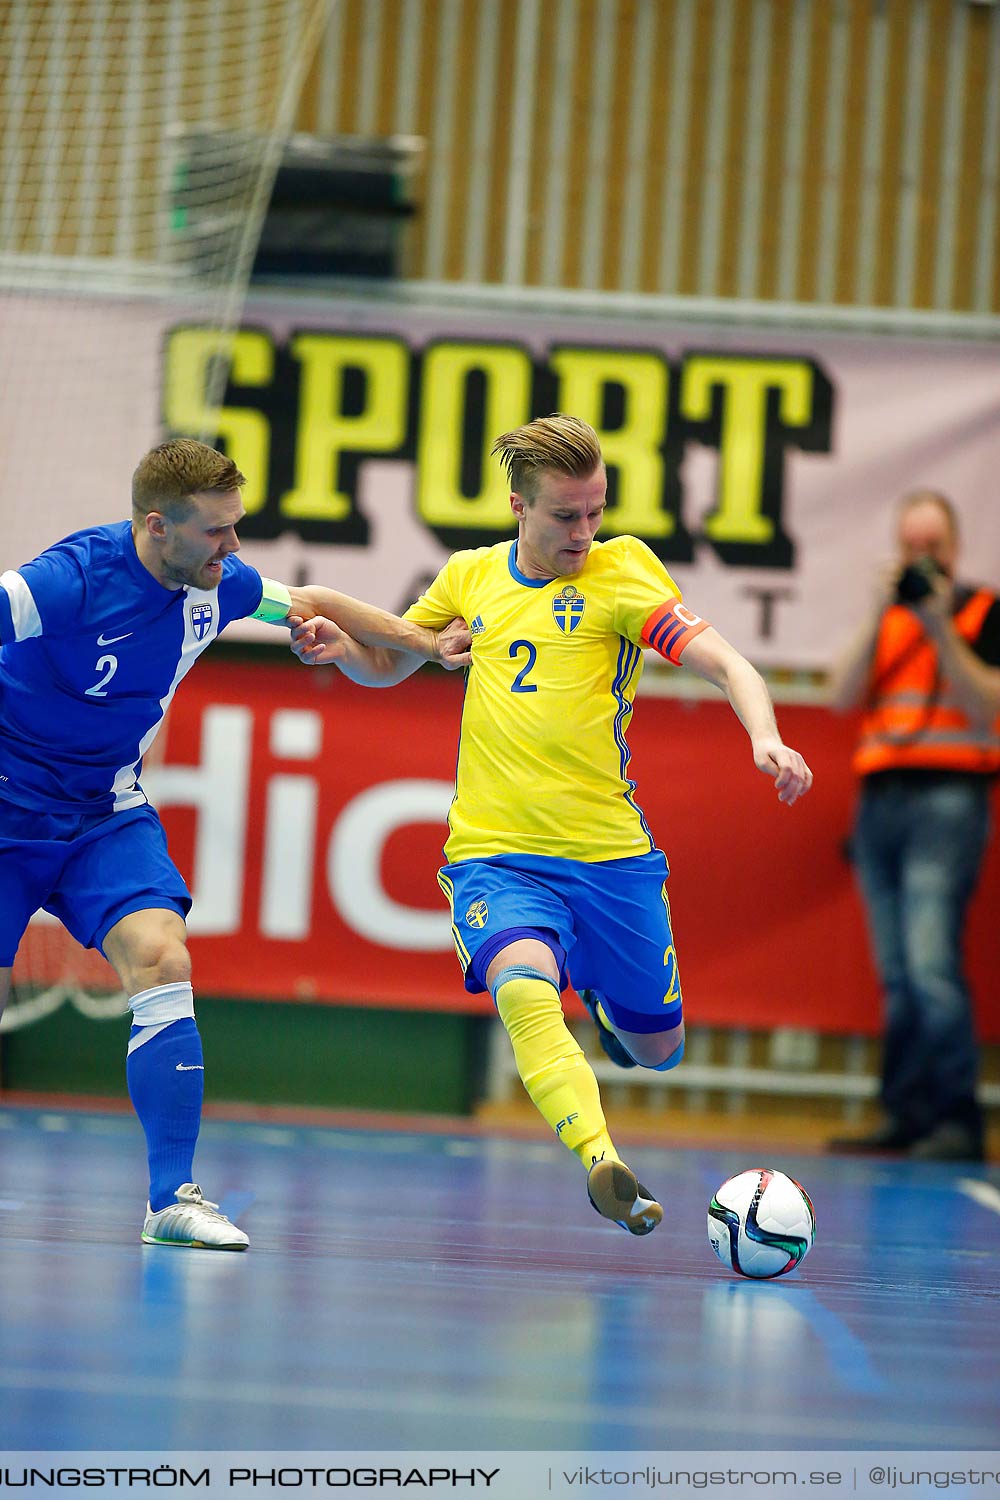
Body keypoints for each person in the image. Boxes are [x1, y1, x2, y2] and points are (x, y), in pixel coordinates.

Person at [290, 414, 813, 1235]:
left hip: (610, 857)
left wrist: (765, 734)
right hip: (496, 856)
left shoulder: (623, 573)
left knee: (656, 1047)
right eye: (565, 515)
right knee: (523, 987)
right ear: (518, 507)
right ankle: (601, 1158)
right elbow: (395, 658)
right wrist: (340, 651)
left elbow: (724, 662)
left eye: (596, 511)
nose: (584, 531)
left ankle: (608, 1005)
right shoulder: (469, 577)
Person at [0, 438, 468, 1250]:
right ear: (157, 527)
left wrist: (425, 646)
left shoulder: (218, 586)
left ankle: (171, 1198)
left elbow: (311, 598)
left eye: (235, 526)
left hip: (102, 813)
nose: (234, 546)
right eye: (216, 531)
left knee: (163, 959)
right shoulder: (68, 580)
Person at [827, 490, 1000, 1163]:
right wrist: (880, 615)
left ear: (955, 548)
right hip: (881, 800)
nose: (922, 560)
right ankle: (905, 1114)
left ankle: (957, 1120)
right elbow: (840, 693)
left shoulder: (981, 612)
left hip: (950, 796)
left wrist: (940, 628)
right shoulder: (889, 620)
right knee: (897, 971)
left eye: (934, 548)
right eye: (911, 548)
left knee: (931, 964)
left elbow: (988, 704)